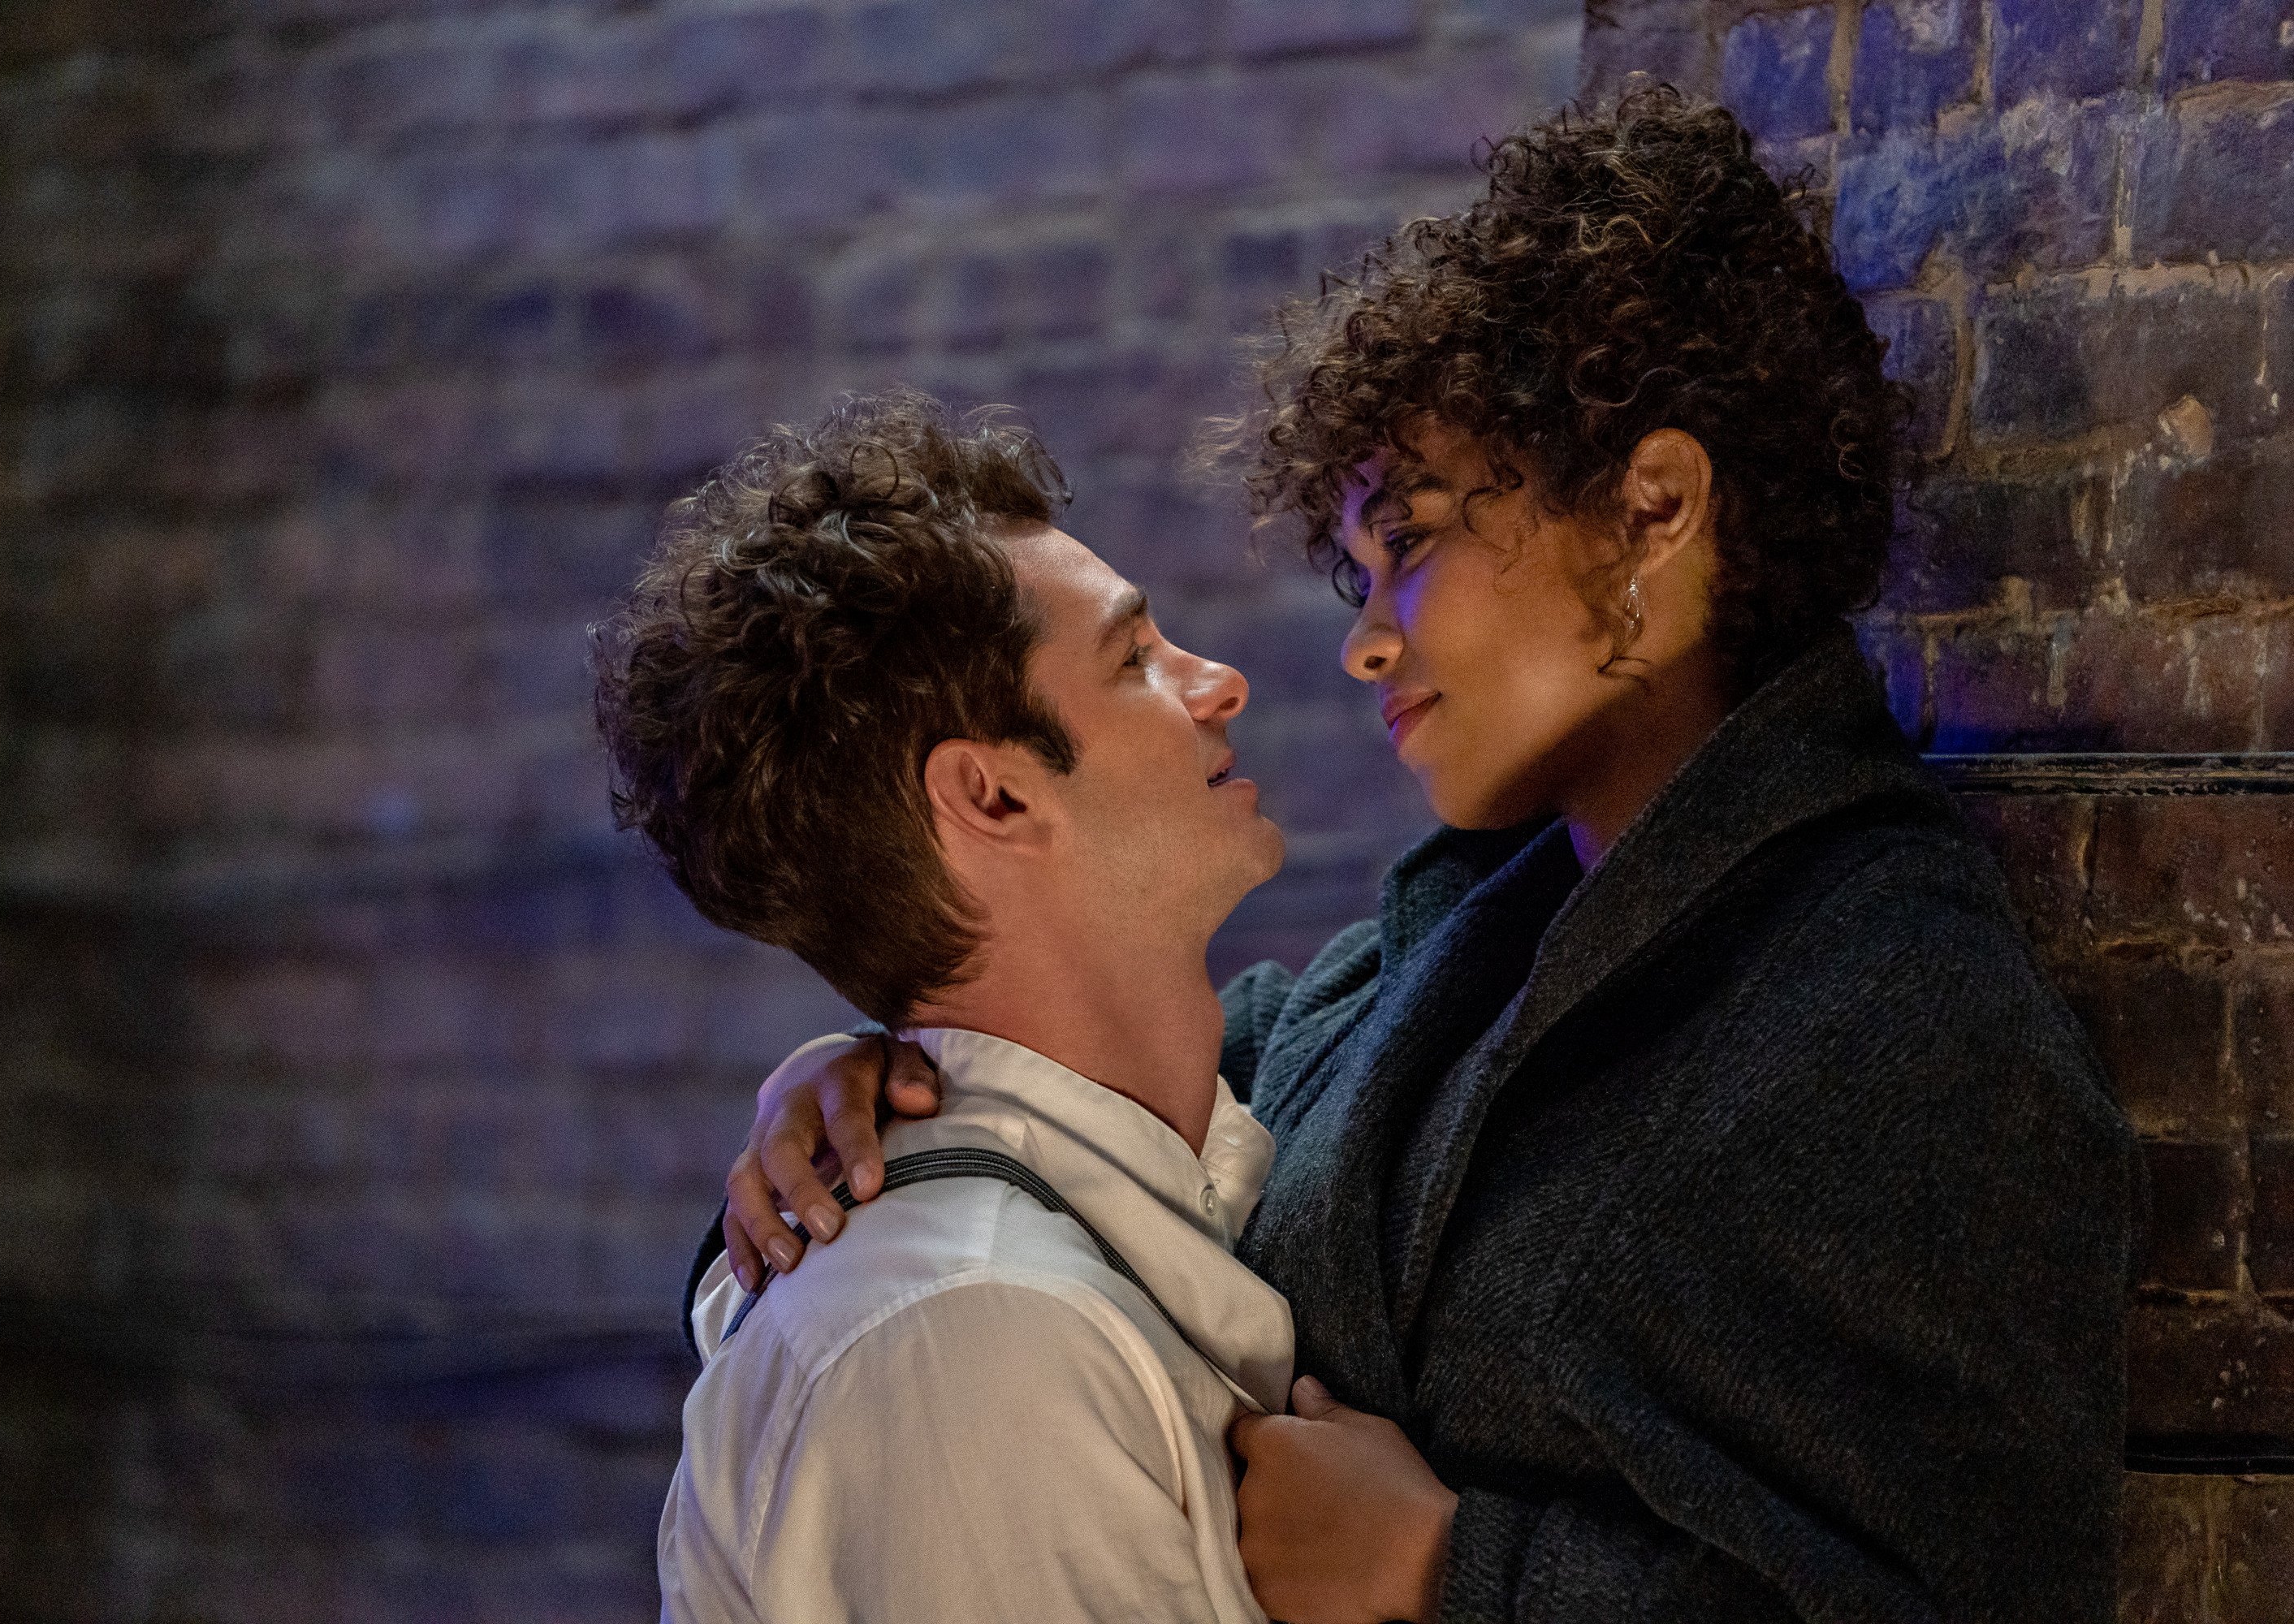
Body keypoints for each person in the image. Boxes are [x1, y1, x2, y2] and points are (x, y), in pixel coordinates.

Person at [711, 93, 2140, 1624]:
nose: (1367, 637)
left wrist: (1458, 1570)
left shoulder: (1899, 1012)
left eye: (1416, 543)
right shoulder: (1447, 947)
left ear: (1652, 509)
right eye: (1362, 566)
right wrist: (876, 1088)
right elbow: (1094, 1123)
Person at [592, 389, 1300, 1623]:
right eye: (1135, 659)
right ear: (994, 798)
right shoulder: (980, 1336)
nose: (1217, 681)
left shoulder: (1168, 1176)